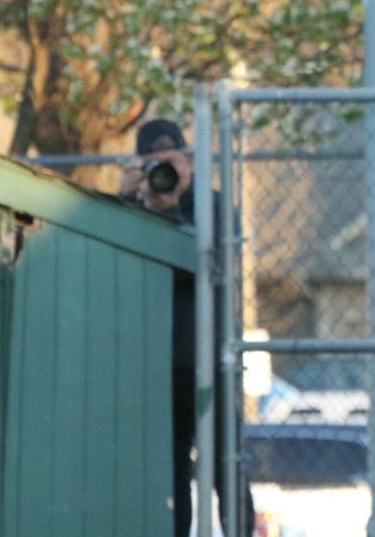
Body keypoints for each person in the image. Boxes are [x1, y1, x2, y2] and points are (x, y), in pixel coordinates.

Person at [119, 118, 252, 537]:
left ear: (188, 160)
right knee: (167, 475)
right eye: (153, 163)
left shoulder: (210, 206)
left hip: (207, 360)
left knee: (227, 466)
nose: (163, 173)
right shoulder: (131, 207)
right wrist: (120, 203)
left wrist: (173, 204)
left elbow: (200, 266)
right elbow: (118, 266)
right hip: (152, 363)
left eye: (171, 161)